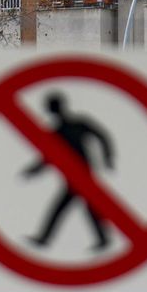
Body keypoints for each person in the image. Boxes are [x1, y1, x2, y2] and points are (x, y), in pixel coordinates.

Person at [23, 93, 116, 251]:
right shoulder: (57, 131)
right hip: (74, 176)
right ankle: (103, 239)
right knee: (88, 207)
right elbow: (49, 157)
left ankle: (44, 238)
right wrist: (34, 170)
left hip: (81, 175)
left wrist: (108, 157)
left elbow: (102, 136)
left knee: (62, 207)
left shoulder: (75, 125)